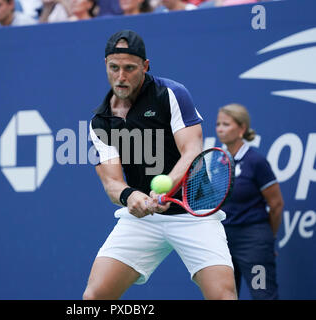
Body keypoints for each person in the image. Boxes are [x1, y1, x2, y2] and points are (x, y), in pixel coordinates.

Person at [83, 30, 237, 300]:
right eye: (114, 68)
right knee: (94, 298)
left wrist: (168, 187)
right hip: (143, 220)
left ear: (145, 66)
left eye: (129, 68)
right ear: (105, 66)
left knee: (223, 296)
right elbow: (111, 183)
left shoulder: (171, 94)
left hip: (194, 212)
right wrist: (131, 196)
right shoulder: (101, 121)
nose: (121, 77)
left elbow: (191, 150)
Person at [216, 103, 284, 299]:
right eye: (218, 124)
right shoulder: (215, 161)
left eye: (226, 124)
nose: (220, 128)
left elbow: (277, 204)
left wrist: (265, 241)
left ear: (242, 128)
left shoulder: (256, 162)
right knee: (224, 295)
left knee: (262, 293)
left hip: (253, 242)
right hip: (222, 241)